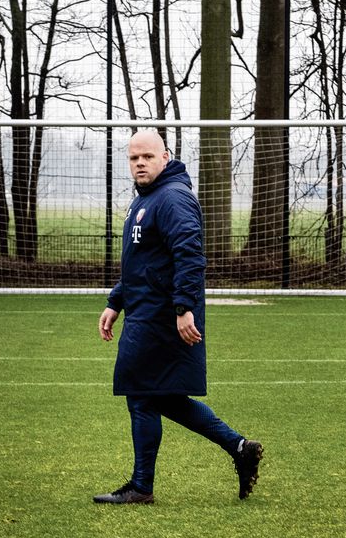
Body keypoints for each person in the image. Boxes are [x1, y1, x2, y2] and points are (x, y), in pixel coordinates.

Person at [95, 129, 262, 504]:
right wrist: (116, 301)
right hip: (145, 311)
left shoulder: (172, 198)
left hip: (161, 316)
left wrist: (184, 308)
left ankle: (141, 487)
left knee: (141, 395)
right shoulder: (147, 199)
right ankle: (239, 448)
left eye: (148, 157)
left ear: (165, 157)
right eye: (134, 157)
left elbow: (190, 256)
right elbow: (140, 263)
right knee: (162, 397)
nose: (139, 163)